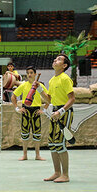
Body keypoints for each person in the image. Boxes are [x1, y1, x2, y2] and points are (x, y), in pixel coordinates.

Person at [37, 54, 75, 183]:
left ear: (64, 66)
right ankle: (57, 172)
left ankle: (65, 174)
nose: (55, 60)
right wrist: (39, 90)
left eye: (59, 59)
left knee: (60, 143)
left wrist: (61, 110)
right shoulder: (53, 80)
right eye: (55, 58)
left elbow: (72, 99)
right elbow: (49, 99)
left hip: (65, 112)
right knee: (52, 144)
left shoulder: (65, 79)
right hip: (54, 112)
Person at [11, 66, 47, 161]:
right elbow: (13, 97)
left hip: (36, 111)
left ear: (35, 74)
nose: (29, 75)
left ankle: (37, 155)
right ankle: (25, 155)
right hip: (26, 110)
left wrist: (44, 110)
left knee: (37, 134)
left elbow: (48, 99)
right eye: (28, 73)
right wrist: (17, 108)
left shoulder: (40, 86)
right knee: (25, 134)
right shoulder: (23, 85)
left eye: (31, 72)